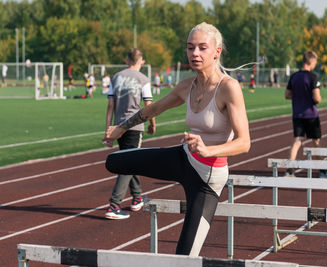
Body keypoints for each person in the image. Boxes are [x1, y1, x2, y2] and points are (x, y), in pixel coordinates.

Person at [103, 22, 250, 256]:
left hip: (207, 179)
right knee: (113, 161)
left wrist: (208, 150)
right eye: (190, 48)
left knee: (184, 258)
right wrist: (120, 129)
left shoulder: (229, 88)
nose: (195, 54)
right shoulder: (186, 86)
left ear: (217, 51)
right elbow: (154, 109)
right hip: (183, 159)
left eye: (202, 48)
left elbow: (244, 143)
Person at [104, 48, 156, 219]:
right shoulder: (144, 79)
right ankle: (114, 205)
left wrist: (109, 129)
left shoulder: (116, 77)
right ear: (142, 62)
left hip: (119, 126)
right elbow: (149, 105)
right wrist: (152, 124)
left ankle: (137, 197)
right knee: (128, 164)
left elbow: (110, 105)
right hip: (134, 125)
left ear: (127, 61)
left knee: (129, 160)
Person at [284, 51, 327, 178]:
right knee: (316, 141)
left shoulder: (294, 76)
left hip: (297, 114)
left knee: (297, 141)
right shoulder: (313, 76)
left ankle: (289, 170)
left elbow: (287, 95)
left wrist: (299, 96)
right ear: (311, 62)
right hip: (311, 115)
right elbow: (317, 98)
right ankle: (322, 171)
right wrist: (314, 97)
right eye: (315, 62)